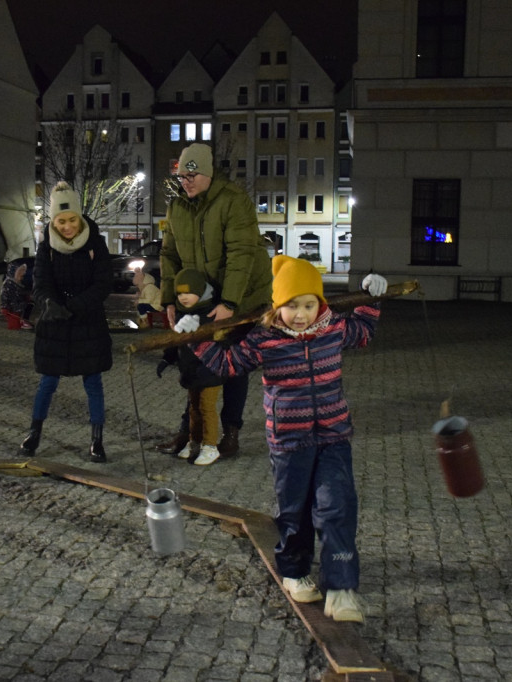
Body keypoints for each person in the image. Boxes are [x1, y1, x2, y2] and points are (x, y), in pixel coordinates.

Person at [190, 255, 387, 623]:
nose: (301, 314)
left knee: (337, 506)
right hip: (289, 441)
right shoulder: (265, 339)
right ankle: (295, 572)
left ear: (321, 303)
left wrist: (372, 296)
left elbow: (363, 330)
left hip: (333, 435)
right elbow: (228, 364)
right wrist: (195, 337)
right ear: (277, 306)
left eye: (309, 304)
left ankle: (341, 589)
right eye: (291, 306)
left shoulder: (333, 329)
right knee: (294, 511)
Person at [156, 143, 272, 459]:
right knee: (196, 361)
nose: (186, 181)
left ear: (207, 173)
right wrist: (170, 299)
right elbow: (169, 254)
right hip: (203, 297)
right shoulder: (177, 206)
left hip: (245, 294)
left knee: (233, 367)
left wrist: (231, 302)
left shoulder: (234, 201)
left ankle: (230, 432)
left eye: (192, 174)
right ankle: (189, 432)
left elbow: (241, 254)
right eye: (182, 176)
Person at [18, 182, 113, 463]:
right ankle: (34, 432)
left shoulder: (96, 244)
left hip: (88, 322)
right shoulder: (47, 246)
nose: (68, 226)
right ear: (53, 220)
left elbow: (103, 283)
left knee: (93, 383)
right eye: (61, 221)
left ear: (80, 218)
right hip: (55, 323)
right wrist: (49, 304)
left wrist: (76, 305)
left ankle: (97, 439)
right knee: (47, 382)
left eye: (72, 220)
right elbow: (40, 283)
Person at [159, 268, 225, 465]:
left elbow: (221, 341)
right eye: (179, 293)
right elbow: (176, 340)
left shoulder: (212, 313)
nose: (184, 297)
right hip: (190, 370)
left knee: (207, 407)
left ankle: (210, 446)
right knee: (194, 409)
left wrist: (200, 324)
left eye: (188, 292)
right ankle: (194, 441)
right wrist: (167, 358)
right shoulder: (181, 313)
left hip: (209, 370)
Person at [0, 258, 33, 330]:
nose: (23, 273)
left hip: (18, 305)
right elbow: (4, 296)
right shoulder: (8, 284)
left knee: (29, 305)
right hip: (12, 307)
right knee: (14, 321)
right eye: (21, 271)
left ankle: (22, 322)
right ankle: (18, 324)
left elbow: (19, 293)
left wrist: (26, 297)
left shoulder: (17, 283)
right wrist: (4, 307)